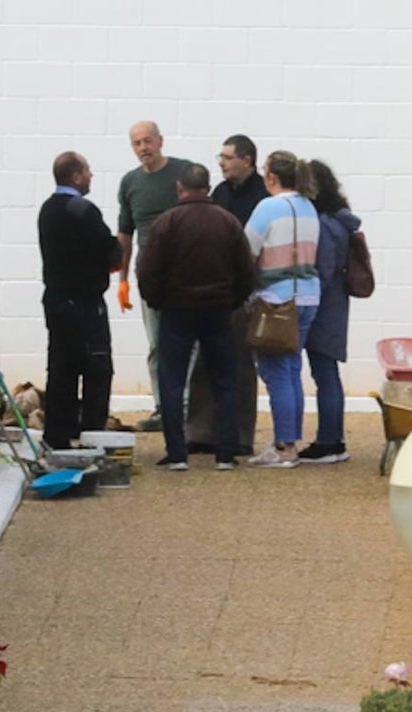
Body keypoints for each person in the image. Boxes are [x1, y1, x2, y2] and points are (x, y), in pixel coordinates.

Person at [136, 163, 256, 471]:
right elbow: (246, 269)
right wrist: (234, 301)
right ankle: (226, 453)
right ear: (208, 187)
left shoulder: (168, 222)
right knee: (224, 380)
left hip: (177, 310)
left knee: (172, 379)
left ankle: (177, 453)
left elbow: (148, 270)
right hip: (218, 310)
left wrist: (158, 301)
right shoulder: (227, 222)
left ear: (179, 188)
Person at [186, 134, 268, 457]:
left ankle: (239, 435)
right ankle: (201, 431)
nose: (221, 162)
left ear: (247, 160)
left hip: (244, 291)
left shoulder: (263, 197)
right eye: (220, 156)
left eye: (228, 156)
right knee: (203, 360)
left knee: (241, 364)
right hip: (212, 288)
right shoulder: (219, 193)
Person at [37, 151, 123, 451]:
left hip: (56, 301)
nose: (91, 176)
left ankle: (57, 434)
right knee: (97, 368)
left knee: (61, 368)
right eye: (87, 171)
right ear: (75, 175)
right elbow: (109, 250)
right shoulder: (83, 211)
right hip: (86, 302)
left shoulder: (47, 210)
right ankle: (92, 435)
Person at [245, 150, 321, 469]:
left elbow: (246, 247)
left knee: (276, 372)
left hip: (277, 299)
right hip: (308, 296)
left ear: (271, 177)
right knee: (291, 370)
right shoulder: (309, 207)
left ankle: (283, 445)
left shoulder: (269, 207)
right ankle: (291, 441)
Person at [115, 121, 192, 432]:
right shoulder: (129, 183)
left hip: (186, 274)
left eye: (148, 141)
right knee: (157, 344)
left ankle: (189, 408)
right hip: (151, 278)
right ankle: (164, 408)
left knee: (190, 342)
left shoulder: (184, 173)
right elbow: (125, 234)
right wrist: (122, 279)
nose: (143, 148)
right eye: (137, 143)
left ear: (161, 141)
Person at [300, 160, 361, 464]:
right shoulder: (339, 220)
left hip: (324, 307)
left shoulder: (324, 223)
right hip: (335, 305)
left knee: (324, 372)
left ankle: (329, 441)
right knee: (328, 372)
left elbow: (322, 271)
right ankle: (333, 439)